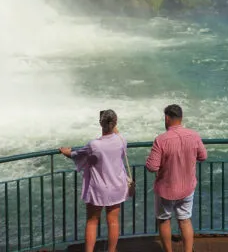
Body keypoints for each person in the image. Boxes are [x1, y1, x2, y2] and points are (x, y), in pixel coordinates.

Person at [59, 109, 131, 252]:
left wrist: (64, 151)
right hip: (117, 185)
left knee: (92, 221)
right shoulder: (122, 140)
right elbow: (116, 135)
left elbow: (76, 155)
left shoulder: (94, 145)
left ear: (100, 123)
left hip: (99, 188)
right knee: (113, 221)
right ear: (115, 123)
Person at [145, 104, 207, 252]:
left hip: (166, 189)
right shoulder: (194, 135)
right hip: (187, 187)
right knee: (185, 221)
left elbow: (152, 167)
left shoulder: (161, 140)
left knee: (164, 220)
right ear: (181, 118)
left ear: (167, 118)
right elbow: (203, 156)